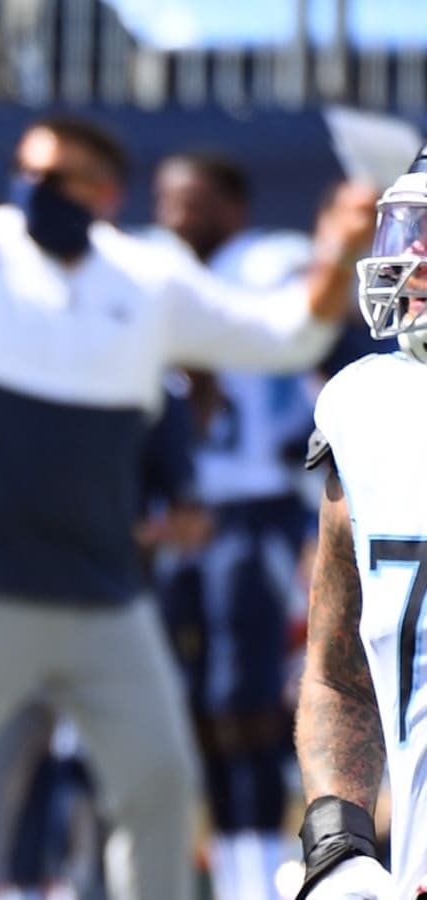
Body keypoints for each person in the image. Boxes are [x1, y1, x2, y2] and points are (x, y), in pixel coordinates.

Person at [0, 9, 377, 900]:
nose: (35, 187)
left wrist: (342, 244)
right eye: (27, 171)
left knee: (162, 785)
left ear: (103, 191)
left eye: (57, 176)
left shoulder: (148, 277)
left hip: (104, 603)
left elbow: (289, 335)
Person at [149, 150, 321, 899]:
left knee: (242, 690)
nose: (177, 216)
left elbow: (331, 352)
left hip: (257, 499)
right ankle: (225, 856)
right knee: (188, 696)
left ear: (235, 208)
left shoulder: (274, 265)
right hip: (178, 512)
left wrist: (303, 442)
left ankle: (257, 860)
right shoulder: (151, 269)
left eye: (194, 201)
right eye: (167, 201)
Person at [293, 146, 427, 900]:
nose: (410, 252)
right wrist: (338, 845)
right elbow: (340, 676)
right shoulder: (369, 407)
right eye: (411, 226)